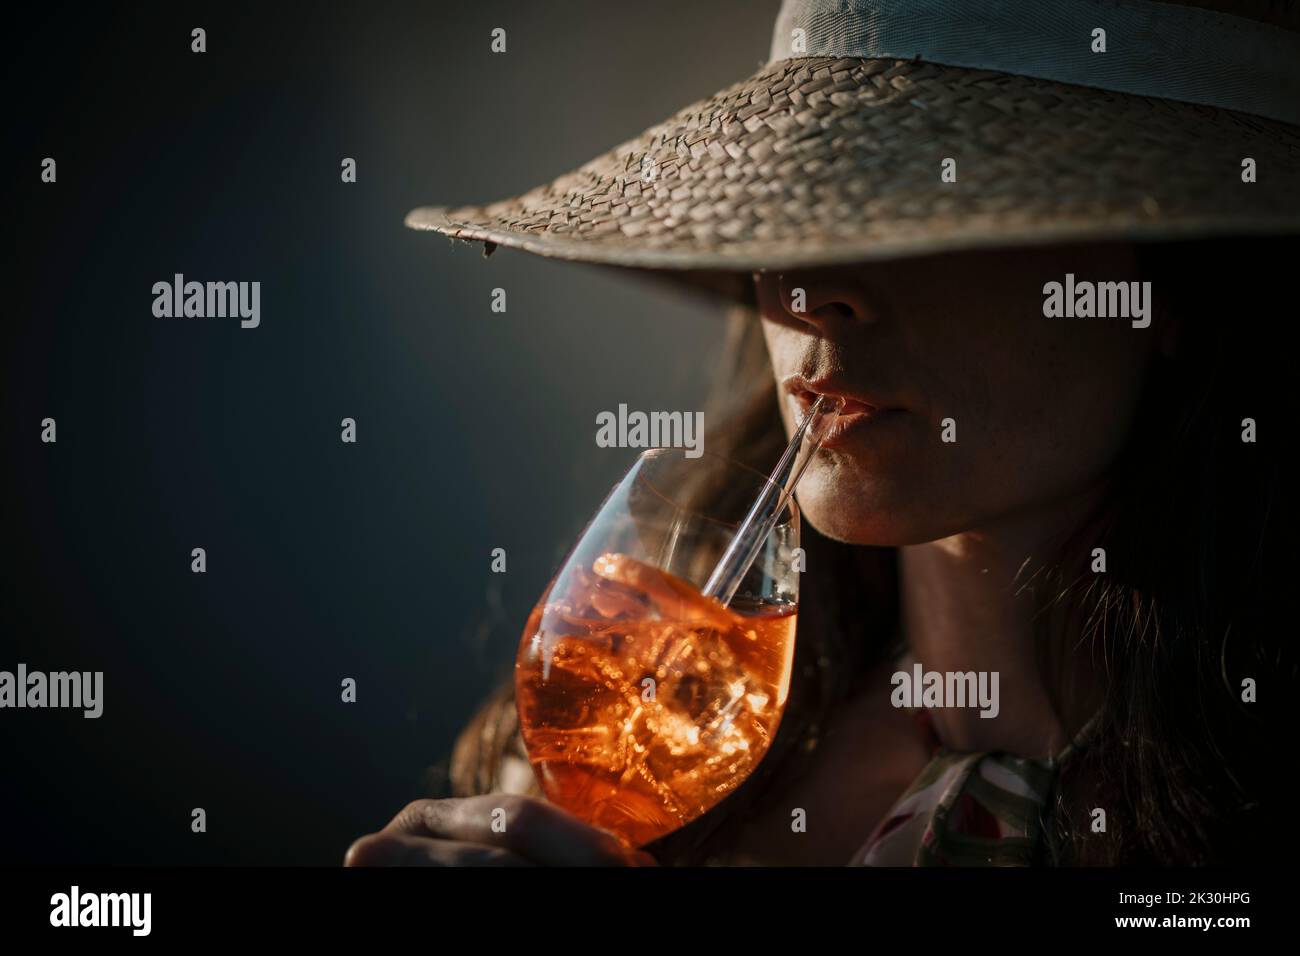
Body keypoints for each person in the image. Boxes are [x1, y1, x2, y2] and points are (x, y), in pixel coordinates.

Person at [346, 0, 1299, 866]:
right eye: (791, 211)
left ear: (1172, 287)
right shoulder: (626, 730)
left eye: (927, 208)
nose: (812, 291)